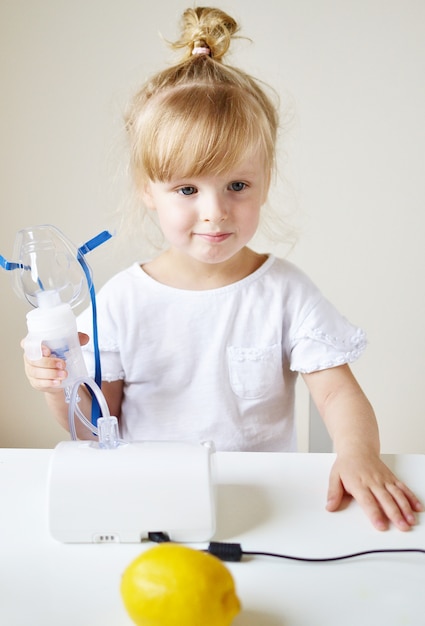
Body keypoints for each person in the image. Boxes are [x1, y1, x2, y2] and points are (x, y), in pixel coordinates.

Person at [23, 6, 422, 531]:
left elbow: (337, 392)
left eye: (237, 185)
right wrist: (59, 385)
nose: (215, 211)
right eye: (187, 189)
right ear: (149, 190)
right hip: (153, 506)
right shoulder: (120, 301)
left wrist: (359, 453)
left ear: (265, 179)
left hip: (264, 506)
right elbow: (96, 429)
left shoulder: (285, 292)